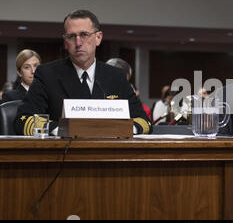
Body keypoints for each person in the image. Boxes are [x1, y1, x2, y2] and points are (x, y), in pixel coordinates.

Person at [14, 10, 152, 135]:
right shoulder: (47, 74)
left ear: (98, 38)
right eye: (71, 36)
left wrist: (125, 130)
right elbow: (24, 120)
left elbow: (143, 121)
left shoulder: (116, 76)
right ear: (65, 41)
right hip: (63, 156)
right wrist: (60, 129)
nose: (78, 42)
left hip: (110, 155)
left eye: (84, 35)